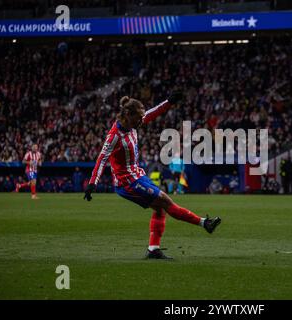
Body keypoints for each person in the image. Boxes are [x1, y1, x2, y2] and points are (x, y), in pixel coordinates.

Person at [83, 92, 221, 260]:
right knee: (166, 201)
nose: (142, 121)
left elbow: (153, 112)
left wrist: (169, 102)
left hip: (137, 176)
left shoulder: (132, 125)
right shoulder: (114, 136)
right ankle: (204, 223)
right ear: (128, 115)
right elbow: (102, 158)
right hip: (127, 182)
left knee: (160, 209)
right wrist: (92, 183)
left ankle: (153, 249)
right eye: (139, 117)